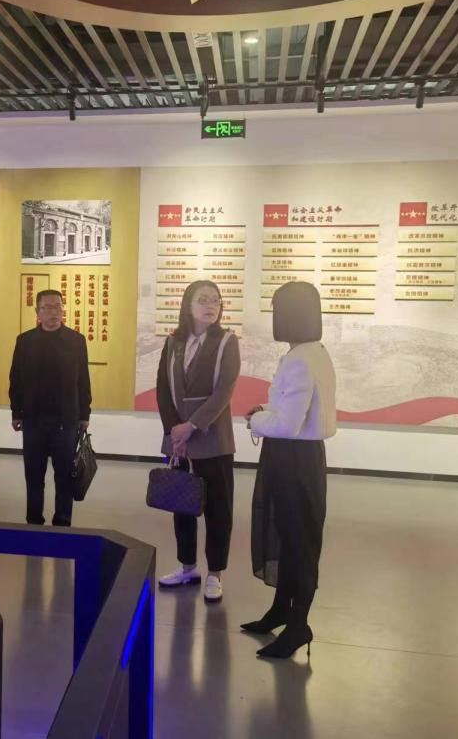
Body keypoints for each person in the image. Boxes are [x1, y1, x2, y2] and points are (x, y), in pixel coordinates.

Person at [242, 281, 336, 659]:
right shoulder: (315, 353)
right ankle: (282, 610)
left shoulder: (299, 359)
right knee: (292, 536)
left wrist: (255, 420)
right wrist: (267, 413)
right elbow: (294, 412)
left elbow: (287, 424)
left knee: (297, 542)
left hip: (292, 459)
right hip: (302, 459)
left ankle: (298, 625)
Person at [155, 280, 241, 603]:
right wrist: (173, 431)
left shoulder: (226, 341)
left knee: (218, 509)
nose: (211, 305)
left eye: (215, 300)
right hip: (179, 440)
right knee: (182, 505)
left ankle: (215, 573)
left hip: (213, 439)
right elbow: (163, 389)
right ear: (188, 305)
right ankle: (187, 566)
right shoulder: (173, 342)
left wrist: (191, 426)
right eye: (203, 299)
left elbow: (224, 391)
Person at [9, 289, 92, 527]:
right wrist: (16, 412)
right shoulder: (25, 341)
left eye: (57, 307)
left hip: (66, 420)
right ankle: (34, 520)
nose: (53, 312)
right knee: (34, 475)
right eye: (47, 307)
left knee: (64, 475)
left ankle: (62, 521)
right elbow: (16, 379)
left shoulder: (76, 341)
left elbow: (83, 380)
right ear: (37, 311)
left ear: (63, 309)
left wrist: (84, 414)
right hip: (33, 420)